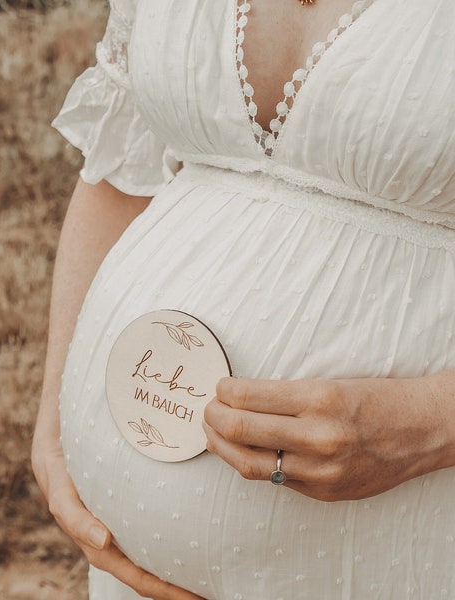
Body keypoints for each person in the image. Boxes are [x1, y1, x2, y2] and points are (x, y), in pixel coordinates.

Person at [32, 0, 455, 598]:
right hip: (131, 566)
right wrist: (56, 418)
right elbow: (122, 167)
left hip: (403, 533)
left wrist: (435, 424)